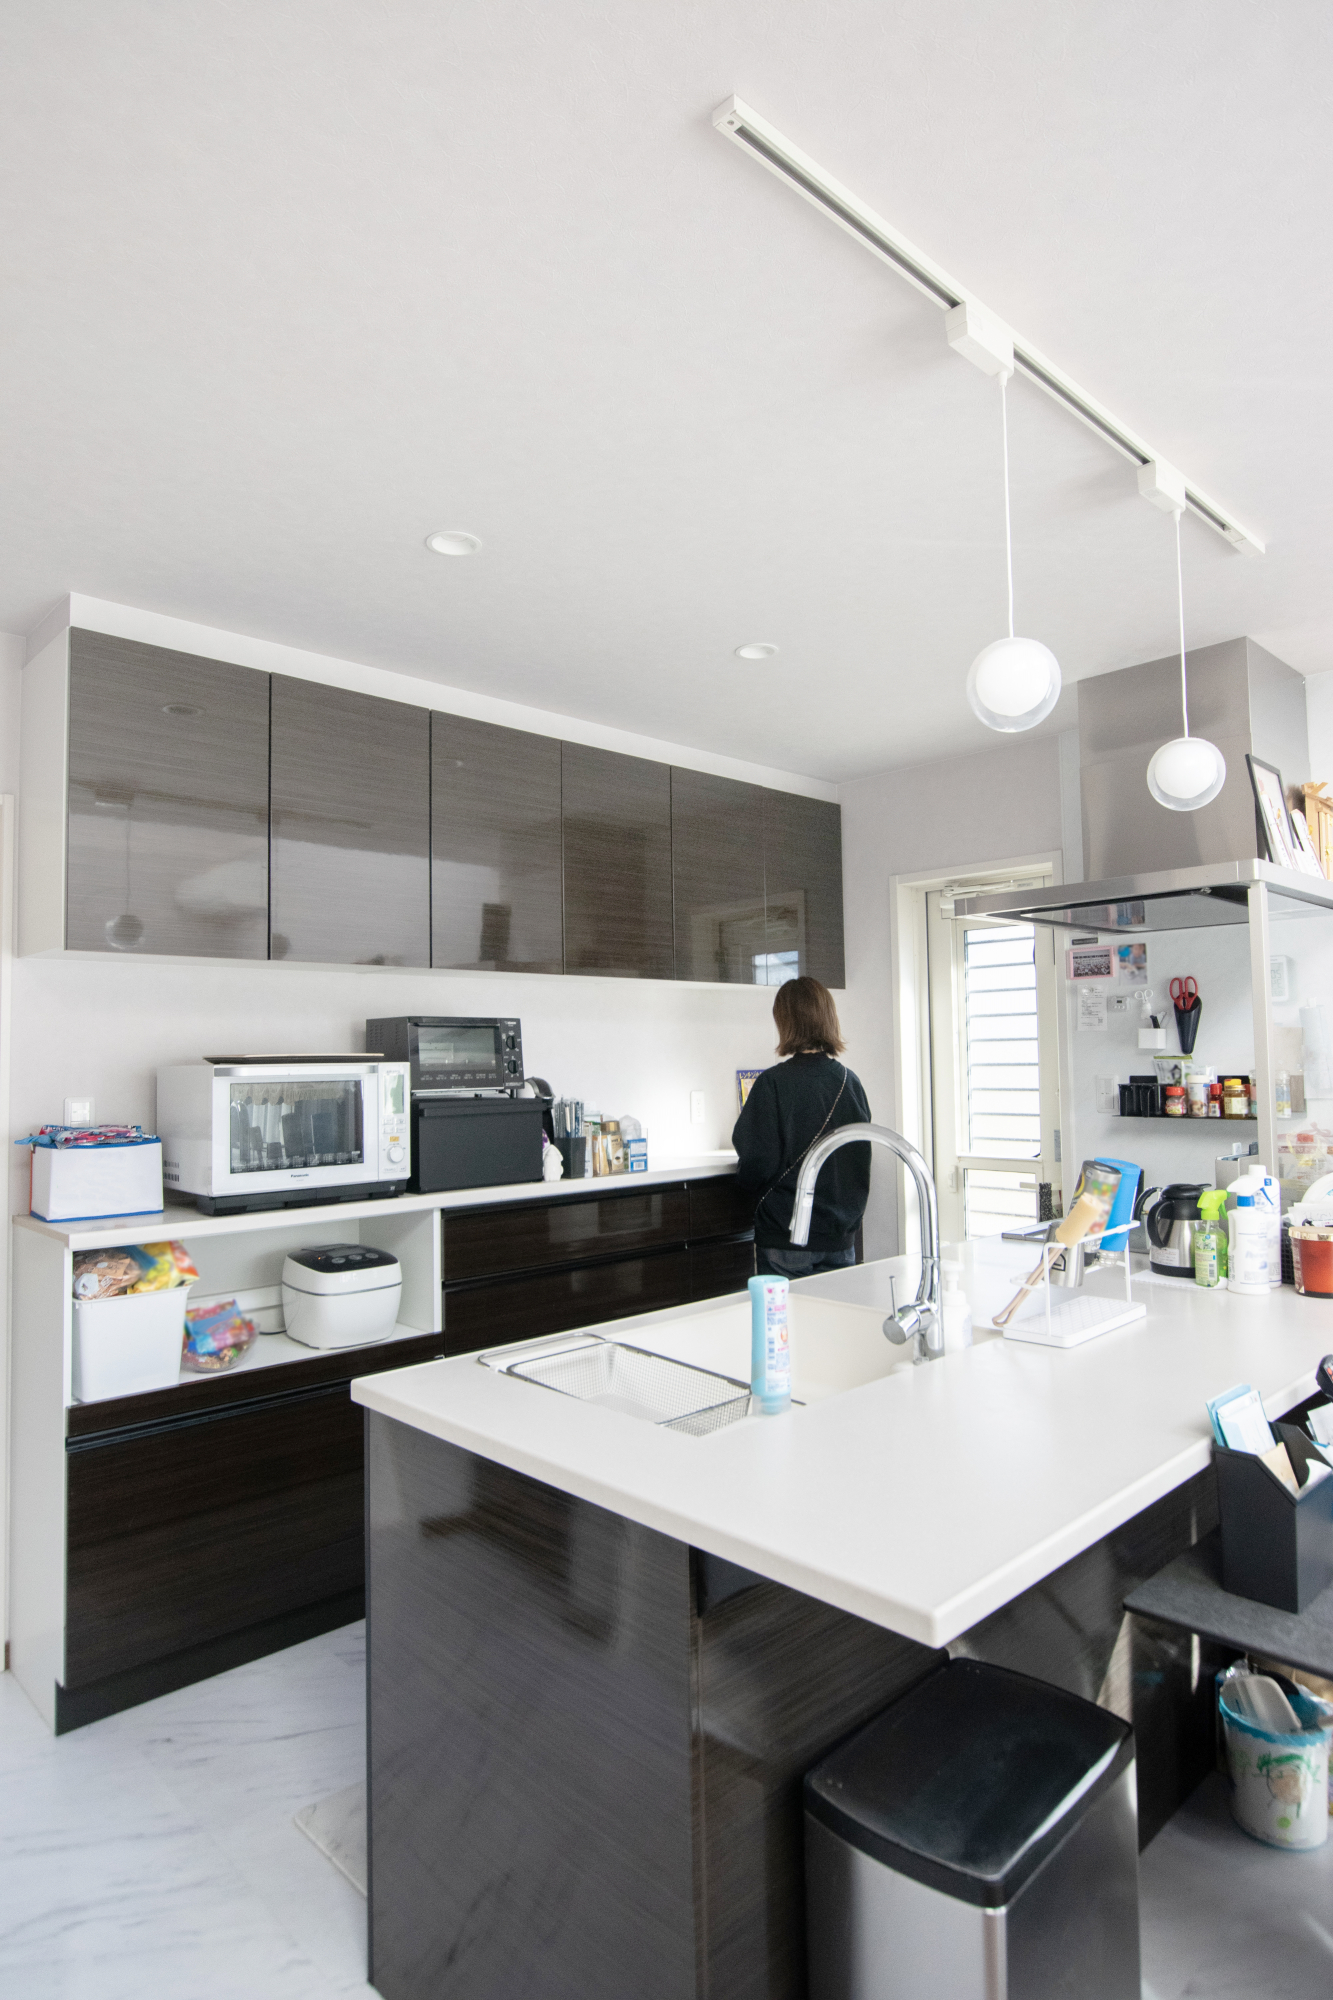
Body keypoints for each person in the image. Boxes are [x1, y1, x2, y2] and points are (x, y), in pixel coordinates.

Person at [732, 976, 871, 1278]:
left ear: (785, 1022)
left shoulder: (772, 1084)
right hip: (839, 1238)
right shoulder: (850, 1083)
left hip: (786, 1236)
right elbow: (858, 1161)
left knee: (784, 1310)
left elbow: (756, 1161)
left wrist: (749, 1191)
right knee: (833, 1309)